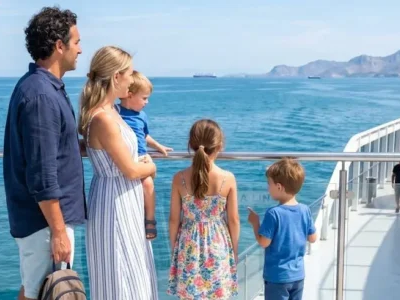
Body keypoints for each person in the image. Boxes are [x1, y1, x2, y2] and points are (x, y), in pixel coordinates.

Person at [2, 6, 83, 300]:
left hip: (44, 222)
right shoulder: (41, 95)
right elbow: (42, 172)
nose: (80, 50)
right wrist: (58, 231)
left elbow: (53, 150)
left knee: (39, 290)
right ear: (59, 46)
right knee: (42, 292)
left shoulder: (43, 88)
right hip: (44, 224)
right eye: (76, 42)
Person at [80, 45, 158, 300]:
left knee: (129, 272)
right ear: (116, 77)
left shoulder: (111, 111)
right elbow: (131, 169)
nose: (131, 79)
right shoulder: (103, 118)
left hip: (122, 198)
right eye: (129, 73)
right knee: (121, 274)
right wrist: (151, 165)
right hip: (115, 201)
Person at [167, 119, 239, 299]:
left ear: (191, 145)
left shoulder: (179, 178)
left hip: (188, 244)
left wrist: (175, 248)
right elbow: (234, 220)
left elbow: (174, 219)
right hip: (218, 244)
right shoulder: (227, 178)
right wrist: (234, 251)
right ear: (219, 146)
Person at [247, 158, 316, 300]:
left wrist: (255, 224)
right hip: (298, 275)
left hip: (277, 277)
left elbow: (264, 242)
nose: (268, 187)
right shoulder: (305, 210)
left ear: (279, 187)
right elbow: (312, 238)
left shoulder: (273, 213)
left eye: (269, 183)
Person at [115, 70, 173, 240]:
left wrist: (158, 146)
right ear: (129, 95)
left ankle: (149, 218)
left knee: (147, 184)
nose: (147, 102)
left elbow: (144, 135)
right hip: (124, 158)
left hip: (140, 158)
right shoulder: (115, 112)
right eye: (144, 98)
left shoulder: (142, 116)